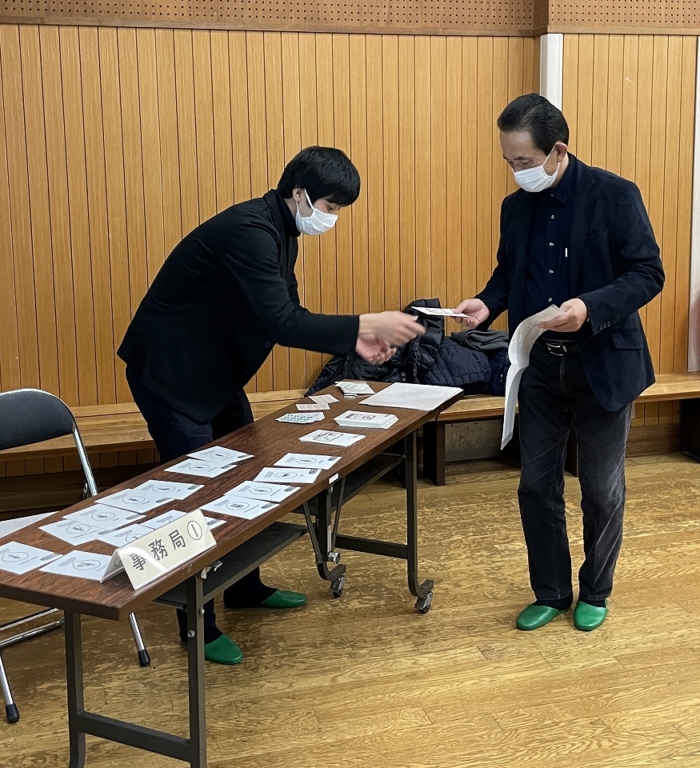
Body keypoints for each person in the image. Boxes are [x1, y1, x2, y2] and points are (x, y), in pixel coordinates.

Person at [119, 146, 425, 664]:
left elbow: (288, 312)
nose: (331, 218)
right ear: (299, 192)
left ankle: (244, 588)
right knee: (196, 498)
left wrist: (356, 340)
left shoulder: (280, 231)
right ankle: (197, 627)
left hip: (215, 375)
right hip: (173, 377)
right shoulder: (250, 232)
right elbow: (281, 322)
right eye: (330, 206)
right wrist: (365, 324)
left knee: (246, 474)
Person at [455, 94, 665, 632]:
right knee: (535, 484)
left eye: (524, 161)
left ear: (558, 151)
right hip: (541, 366)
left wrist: (589, 307)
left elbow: (647, 274)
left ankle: (596, 589)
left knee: (600, 487)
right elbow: (508, 274)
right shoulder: (515, 208)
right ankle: (550, 590)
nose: (516, 171)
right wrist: (486, 303)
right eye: (509, 162)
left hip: (603, 364)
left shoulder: (615, 195)